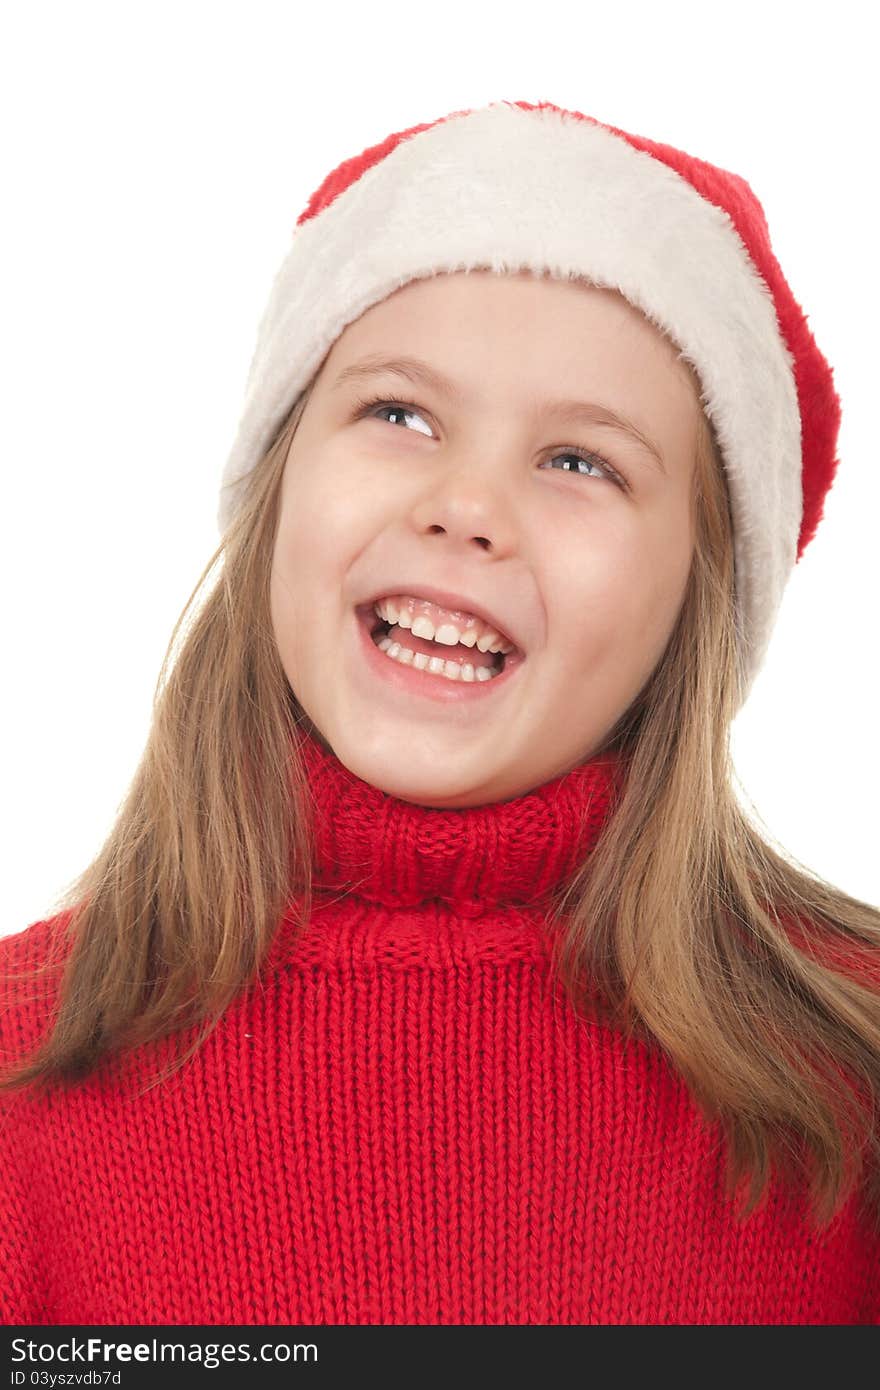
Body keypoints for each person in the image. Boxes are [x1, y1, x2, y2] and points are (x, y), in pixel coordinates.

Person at [1, 98, 878, 1326]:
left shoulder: (852, 1074)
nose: (466, 506)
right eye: (398, 414)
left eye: (582, 461)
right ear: (276, 488)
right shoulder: (22, 1075)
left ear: (698, 596)